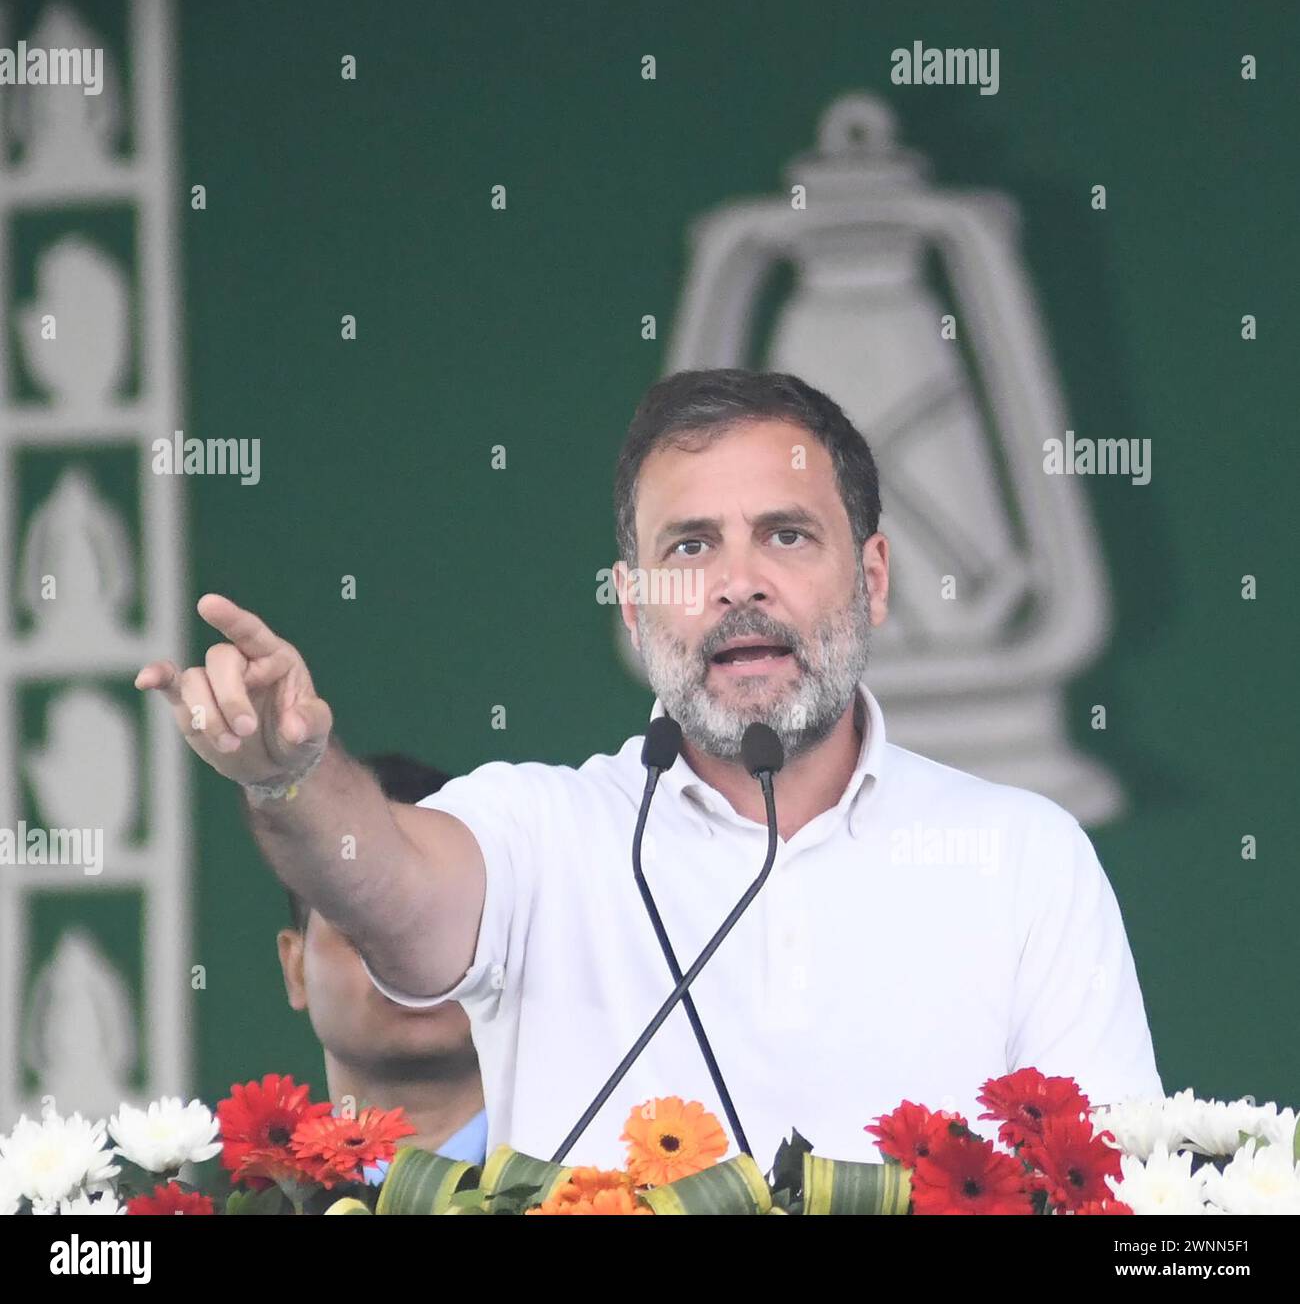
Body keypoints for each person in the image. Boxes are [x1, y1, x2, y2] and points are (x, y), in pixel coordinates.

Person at [136, 368, 1163, 1169]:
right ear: (631, 606)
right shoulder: (544, 832)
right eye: (688, 549)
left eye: (787, 535)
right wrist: (290, 777)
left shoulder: (1023, 856)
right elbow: (383, 888)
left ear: (873, 578)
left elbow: (1107, 1185)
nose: (738, 585)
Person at [272, 753, 487, 1174]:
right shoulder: (223, 1205)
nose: (412, 960)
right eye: (367, 920)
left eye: (444, 923)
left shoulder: (617, 1195)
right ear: (295, 968)